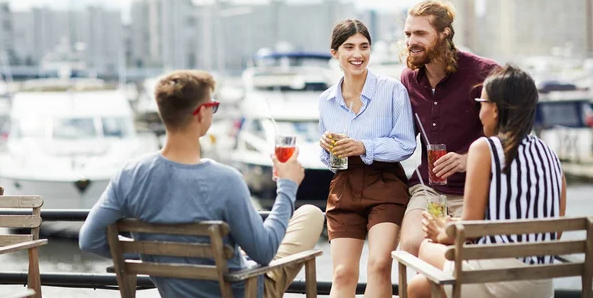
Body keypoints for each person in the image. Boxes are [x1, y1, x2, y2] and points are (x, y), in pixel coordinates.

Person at [79, 70, 324, 298]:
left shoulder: (129, 175)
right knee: (312, 214)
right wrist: (287, 185)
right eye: (213, 106)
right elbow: (265, 252)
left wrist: (161, 256)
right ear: (201, 112)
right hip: (244, 290)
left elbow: (89, 239)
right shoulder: (227, 180)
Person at [407, 64, 567, 298]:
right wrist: (456, 225)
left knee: (424, 248)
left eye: (480, 104)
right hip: (541, 284)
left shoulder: (485, 148)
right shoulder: (549, 154)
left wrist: (442, 231)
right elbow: (555, 230)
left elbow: (470, 230)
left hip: (499, 278)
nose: (477, 112)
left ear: (494, 110)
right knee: (420, 287)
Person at [318, 19, 416, 297]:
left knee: (379, 264)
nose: (357, 54)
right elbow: (328, 159)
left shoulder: (393, 90)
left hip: (385, 183)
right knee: (342, 273)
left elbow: (406, 145)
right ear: (335, 53)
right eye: (348, 47)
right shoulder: (326, 100)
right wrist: (326, 148)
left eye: (364, 46)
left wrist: (364, 147)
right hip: (344, 185)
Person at [399, 0, 499, 256]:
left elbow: (510, 137)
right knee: (411, 245)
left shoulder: (486, 74)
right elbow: (401, 137)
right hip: (429, 188)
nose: (411, 41)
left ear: (445, 34)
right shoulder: (408, 79)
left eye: (421, 33)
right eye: (408, 34)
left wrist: (469, 160)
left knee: (459, 252)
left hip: (474, 188)